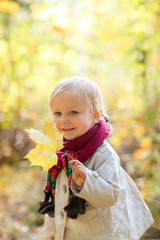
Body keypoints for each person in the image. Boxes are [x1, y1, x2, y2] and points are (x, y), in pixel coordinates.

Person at [31, 76, 154, 240]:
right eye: (57, 113)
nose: (64, 119)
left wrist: (86, 180)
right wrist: (52, 231)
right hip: (69, 234)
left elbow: (111, 196)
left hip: (100, 234)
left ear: (96, 115)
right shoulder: (60, 153)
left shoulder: (103, 154)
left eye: (73, 112)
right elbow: (57, 197)